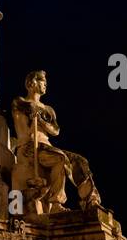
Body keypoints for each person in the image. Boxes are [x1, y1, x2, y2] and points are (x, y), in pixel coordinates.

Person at [10, 70, 101, 213]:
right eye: (42, 81)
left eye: (46, 82)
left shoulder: (48, 109)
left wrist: (40, 120)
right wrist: (37, 114)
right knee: (60, 158)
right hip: (31, 147)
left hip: (46, 147)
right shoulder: (20, 101)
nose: (45, 84)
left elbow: (55, 130)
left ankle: (91, 200)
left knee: (80, 161)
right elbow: (28, 108)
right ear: (32, 83)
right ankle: (56, 203)